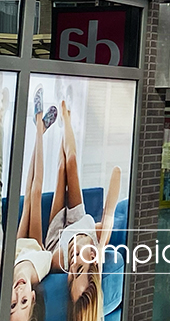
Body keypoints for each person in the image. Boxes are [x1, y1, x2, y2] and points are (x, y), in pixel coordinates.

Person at [45, 100, 122, 321]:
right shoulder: (97, 244)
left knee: (61, 170)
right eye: (79, 267)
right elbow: (116, 174)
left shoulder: (61, 258)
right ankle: (65, 118)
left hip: (57, 234)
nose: (73, 261)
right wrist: (101, 239)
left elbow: (38, 256)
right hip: (80, 222)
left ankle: (58, 129)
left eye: (70, 275)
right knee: (72, 162)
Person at [11, 93, 56, 321]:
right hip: (35, 247)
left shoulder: (6, 278)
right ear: (33, 297)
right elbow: (46, 254)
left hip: (18, 248)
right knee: (36, 192)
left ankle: (40, 127)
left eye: (12, 303)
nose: (19, 292)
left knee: (28, 195)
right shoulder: (39, 273)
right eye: (24, 301)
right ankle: (39, 126)